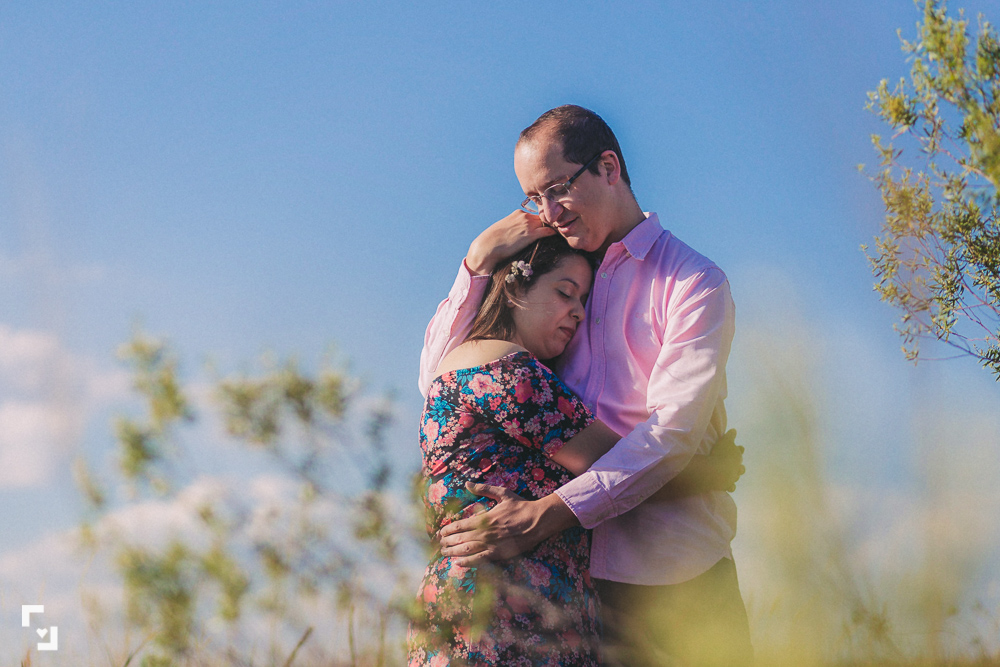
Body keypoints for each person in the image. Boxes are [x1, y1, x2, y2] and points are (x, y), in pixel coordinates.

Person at [419, 105, 753, 666]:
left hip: (677, 570)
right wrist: (477, 263)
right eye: (534, 198)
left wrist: (547, 513)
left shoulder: (694, 283)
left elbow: (669, 435)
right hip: (574, 586)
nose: (548, 213)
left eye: (556, 189)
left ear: (607, 167)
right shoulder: (557, 272)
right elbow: (446, 382)